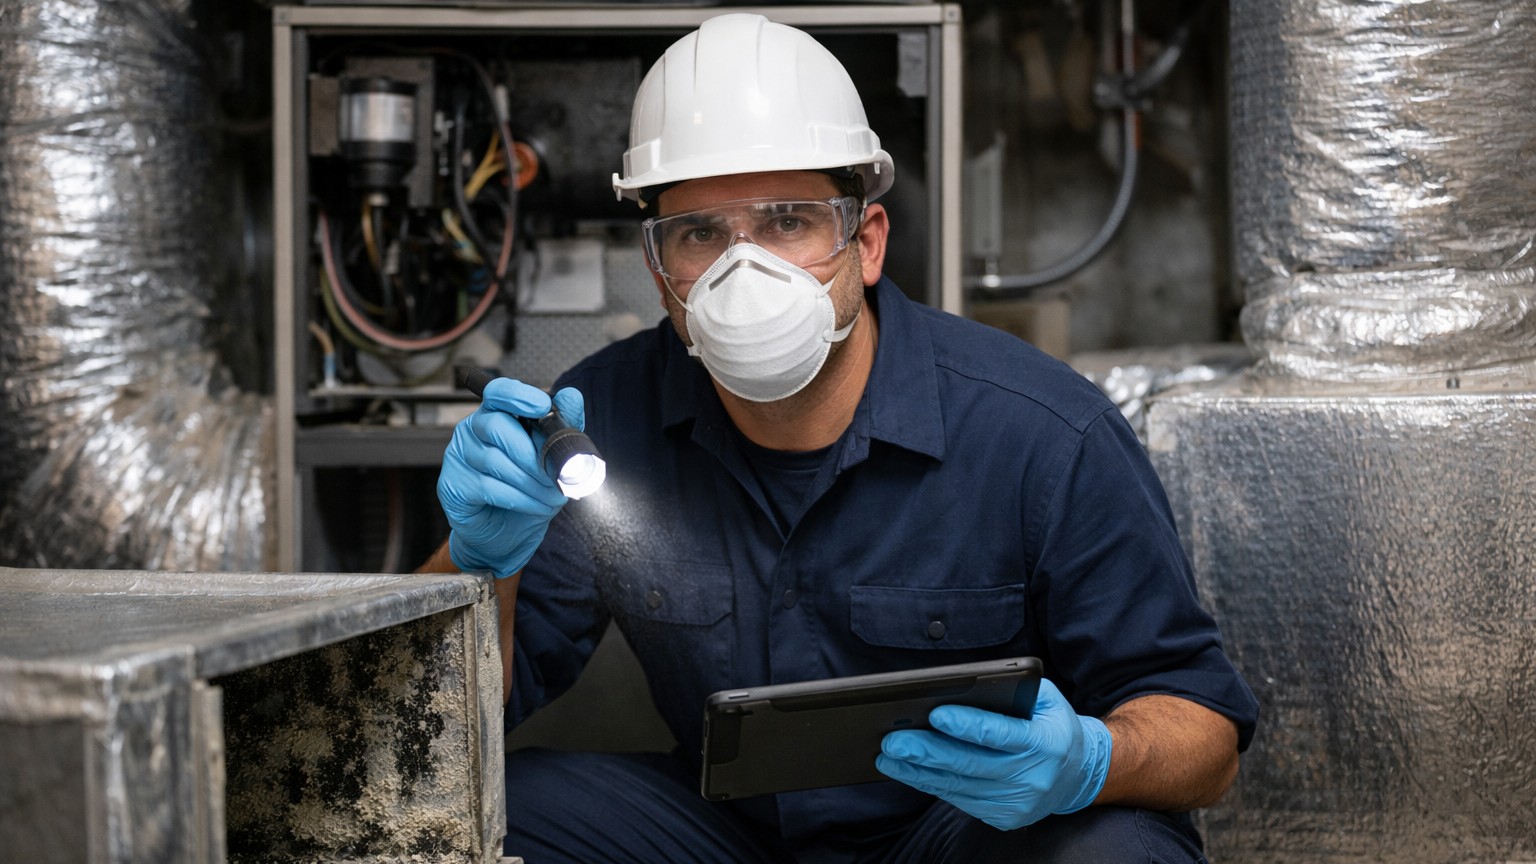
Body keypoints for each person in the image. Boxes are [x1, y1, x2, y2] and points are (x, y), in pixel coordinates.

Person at [420, 12, 1258, 863]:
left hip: (965, 830)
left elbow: (1205, 733)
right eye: (700, 233)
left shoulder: (1039, 432)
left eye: (789, 222)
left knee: (1118, 851)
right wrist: (480, 565)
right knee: (469, 816)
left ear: (866, 243)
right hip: (726, 833)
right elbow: (440, 722)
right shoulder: (597, 421)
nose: (745, 270)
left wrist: (1089, 763)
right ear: (659, 271)